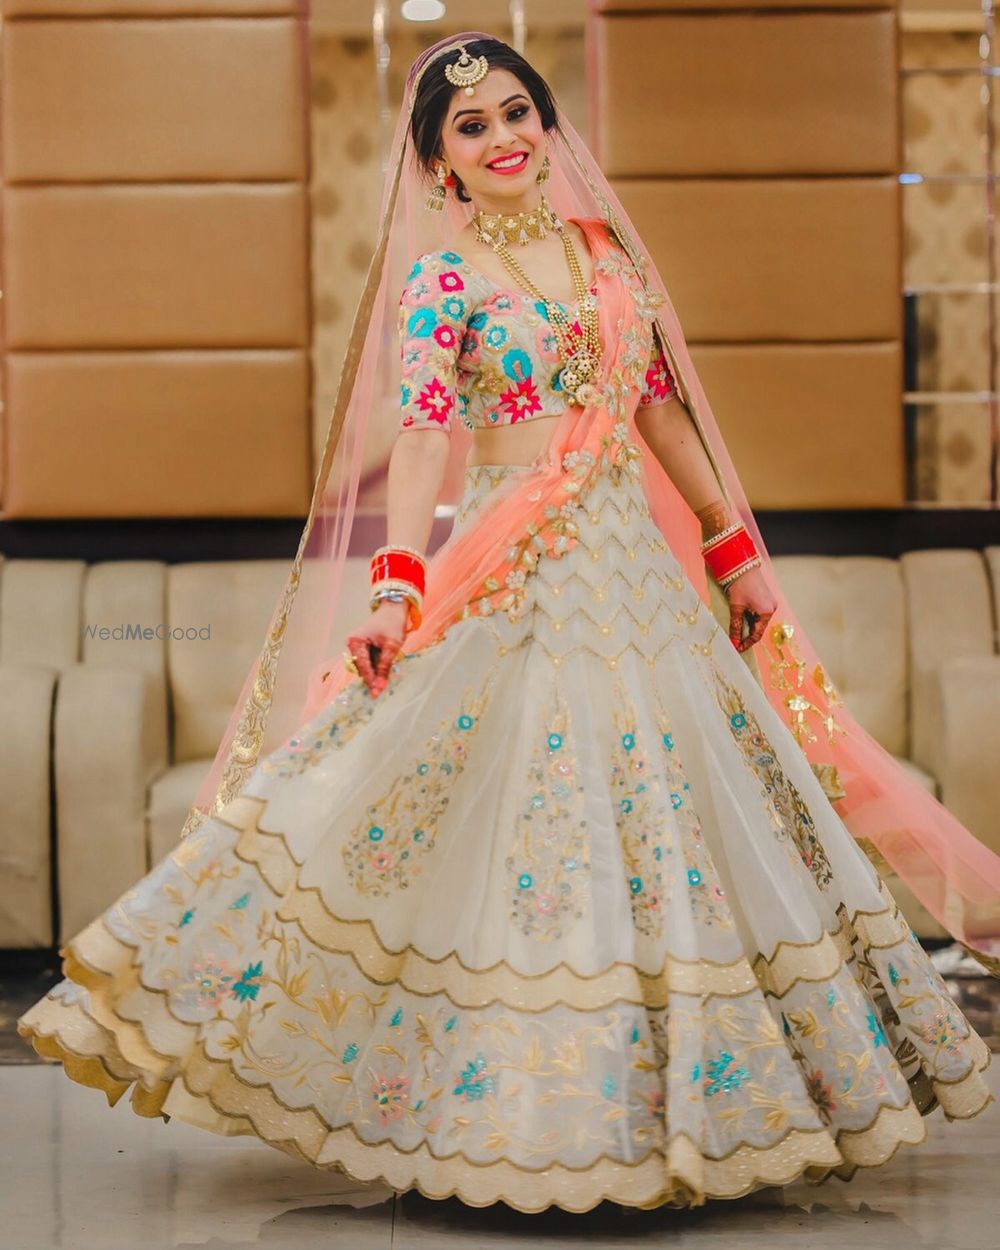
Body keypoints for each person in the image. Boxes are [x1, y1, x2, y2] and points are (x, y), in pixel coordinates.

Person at [17, 33, 998, 1214]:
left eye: (517, 111)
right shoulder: (444, 282)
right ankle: (496, 1110)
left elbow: (660, 411)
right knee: (450, 798)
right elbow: (426, 436)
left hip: (633, 575)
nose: (502, 137)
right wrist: (396, 586)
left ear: (550, 124)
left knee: (675, 804)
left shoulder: (609, 263)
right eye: (469, 124)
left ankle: (691, 1111)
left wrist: (734, 554)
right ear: (437, 158)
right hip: (509, 564)